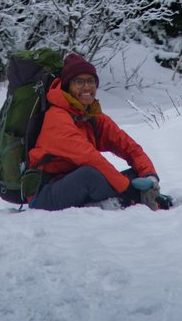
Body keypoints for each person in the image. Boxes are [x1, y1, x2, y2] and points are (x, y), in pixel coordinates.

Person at [27, 53, 172, 211]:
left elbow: (130, 148)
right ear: (67, 86)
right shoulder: (56, 117)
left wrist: (150, 178)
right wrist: (129, 190)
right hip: (45, 193)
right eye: (79, 82)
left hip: (77, 184)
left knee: (136, 174)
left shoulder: (92, 117)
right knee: (91, 175)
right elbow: (90, 158)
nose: (87, 87)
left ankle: (139, 197)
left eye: (91, 81)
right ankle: (131, 199)